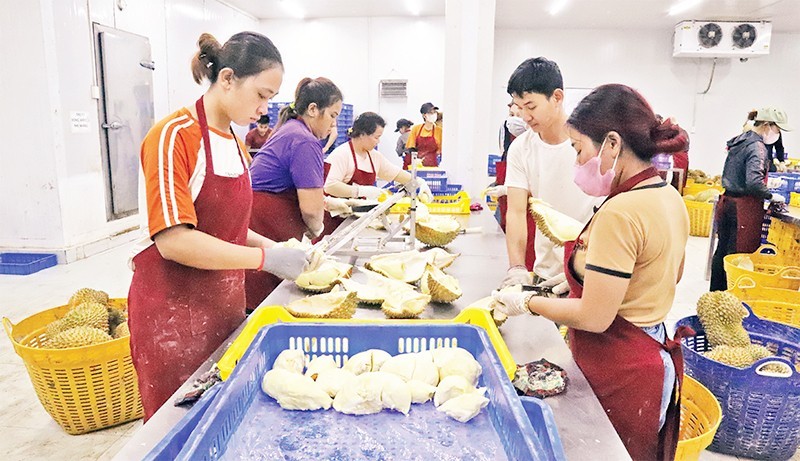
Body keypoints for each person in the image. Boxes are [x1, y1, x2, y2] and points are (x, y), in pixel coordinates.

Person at [492, 84, 691, 461]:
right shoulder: (668, 196)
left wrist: (528, 302)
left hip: (619, 367)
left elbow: (595, 317)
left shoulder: (621, 212)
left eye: (579, 148)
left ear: (612, 144)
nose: (577, 161)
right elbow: (670, 274)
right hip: (651, 357)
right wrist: (574, 282)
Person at [128, 32, 313, 420]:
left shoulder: (235, 141)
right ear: (227, 78)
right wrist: (265, 258)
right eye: (261, 95)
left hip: (224, 311)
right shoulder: (173, 136)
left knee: (218, 421)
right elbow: (174, 240)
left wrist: (283, 251)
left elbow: (226, 228)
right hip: (172, 321)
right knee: (175, 427)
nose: (265, 109)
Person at [500, 57, 599, 292]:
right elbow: (515, 211)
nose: (525, 116)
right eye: (519, 108)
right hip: (545, 272)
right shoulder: (521, 148)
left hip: (591, 273)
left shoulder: (591, 142)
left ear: (557, 97)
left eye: (531, 107)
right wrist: (516, 267)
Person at [246, 77, 343, 310]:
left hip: (260, 218)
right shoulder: (304, 140)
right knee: (267, 301)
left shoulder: (291, 129)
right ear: (312, 109)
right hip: (266, 223)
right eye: (332, 115)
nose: (333, 125)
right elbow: (311, 210)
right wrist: (320, 235)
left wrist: (330, 203)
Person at [710, 107, 792, 290]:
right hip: (744, 208)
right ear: (767, 125)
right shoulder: (757, 147)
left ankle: (715, 294)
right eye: (778, 129)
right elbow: (753, 182)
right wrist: (771, 195)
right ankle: (730, 298)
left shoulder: (741, 141)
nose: (778, 134)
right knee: (737, 256)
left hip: (728, 202)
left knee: (723, 251)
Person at [320, 112, 433, 232]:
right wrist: (360, 191)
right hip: (333, 224)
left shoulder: (374, 157)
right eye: (376, 137)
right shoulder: (342, 154)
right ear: (362, 134)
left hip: (355, 221)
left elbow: (396, 173)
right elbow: (329, 186)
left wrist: (419, 183)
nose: (378, 142)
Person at [488, 101, 529, 230]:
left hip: (524, 207)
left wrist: (508, 189)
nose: (514, 120)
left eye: (518, 115)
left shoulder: (532, 144)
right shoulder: (506, 137)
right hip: (504, 204)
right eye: (511, 115)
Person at [404, 102, 442, 168]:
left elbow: (441, 151)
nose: (433, 115)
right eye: (431, 113)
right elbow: (410, 149)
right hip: (418, 166)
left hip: (432, 168)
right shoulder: (416, 129)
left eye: (434, 112)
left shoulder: (439, 131)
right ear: (424, 115)